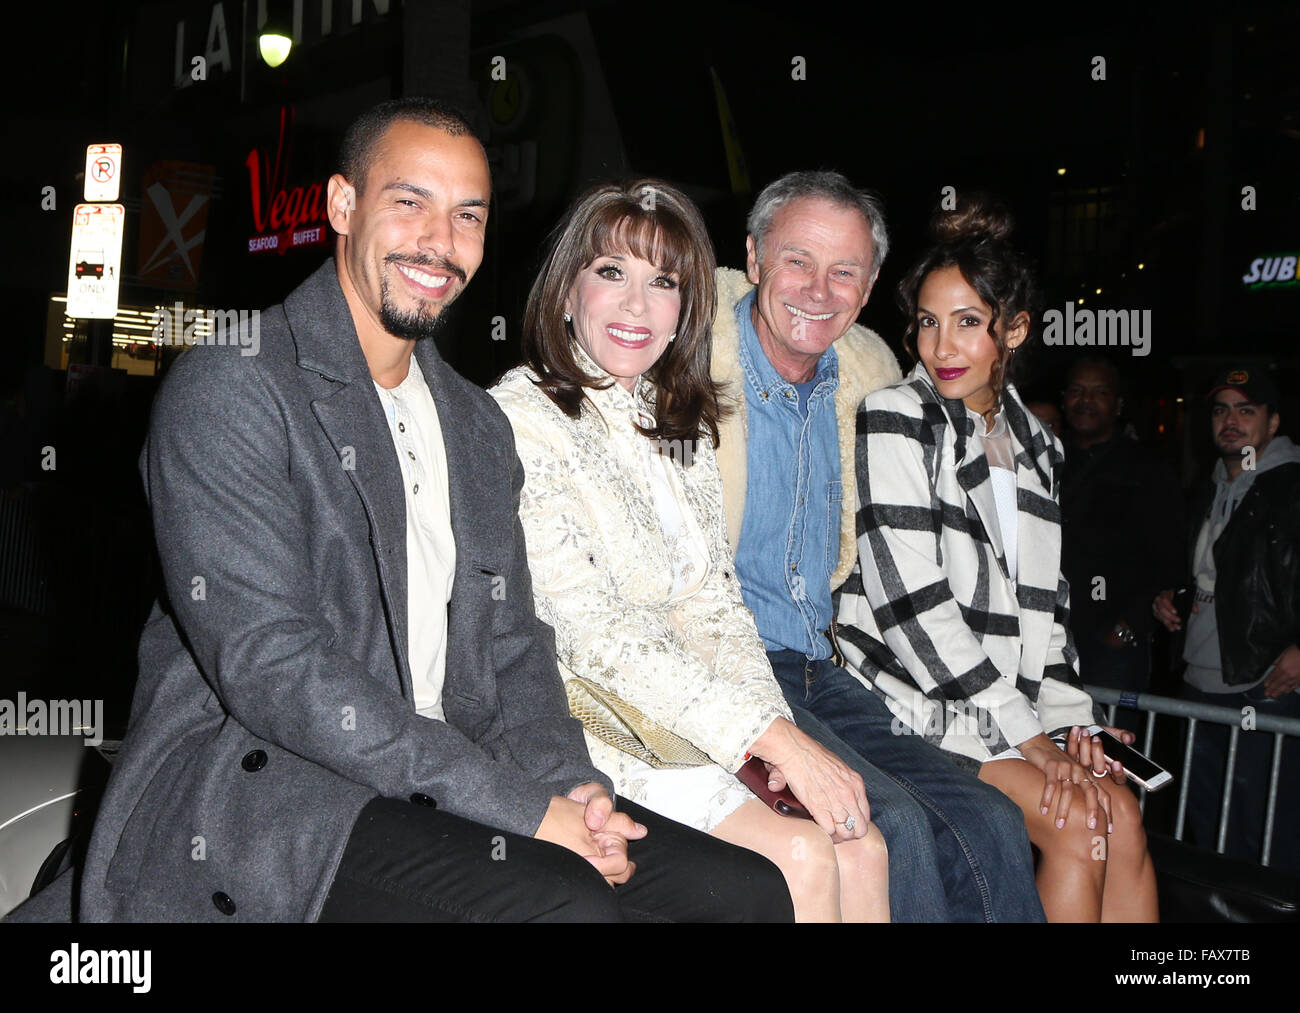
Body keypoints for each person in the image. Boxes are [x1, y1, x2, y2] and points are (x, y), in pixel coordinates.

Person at [76, 99, 795, 923]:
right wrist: (523, 809)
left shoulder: (474, 422)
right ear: (343, 206)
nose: (439, 242)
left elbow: (517, 644)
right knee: (564, 904)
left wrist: (574, 788)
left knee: (743, 888)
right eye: (409, 202)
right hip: (278, 789)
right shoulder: (237, 384)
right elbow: (272, 667)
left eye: (468, 216)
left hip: (452, 777)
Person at [490, 179, 888, 921]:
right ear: (567, 288)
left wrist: (780, 744)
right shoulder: (520, 415)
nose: (637, 306)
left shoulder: (678, 419)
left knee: (860, 841)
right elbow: (591, 634)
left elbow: (718, 605)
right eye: (611, 272)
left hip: (704, 719)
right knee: (803, 852)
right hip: (597, 729)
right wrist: (765, 737)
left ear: (687, 305)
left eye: (663, 281)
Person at [710, 170, 1045, 922]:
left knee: (991, 820)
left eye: (844, 272)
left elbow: (954, 536)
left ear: (866, 292)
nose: (819, 289)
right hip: (727, 666)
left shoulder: (873, 382)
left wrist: (1043, 713)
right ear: (755, 259)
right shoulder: (684, 357)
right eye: (797, 260)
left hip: (823, 668)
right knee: (892, 826)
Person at [835, 196, 1158, 922]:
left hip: (1005, 710)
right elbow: (911, 603)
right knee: (1079, 826)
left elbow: (1048, 613)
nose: (940, 345)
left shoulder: (1039, 445)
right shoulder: (897, 416)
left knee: (1122, 814)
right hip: (914, 698)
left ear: (1014, 329)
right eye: (926, 320)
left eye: (967, 322)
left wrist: (1080, 729)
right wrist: (1033, 738)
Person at [1153, 366, 1300, 873]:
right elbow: (1220, 575)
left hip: (1264, 683)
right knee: (1209, 822)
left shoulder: (1291, 485)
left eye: (1246, 409)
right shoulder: (1211, 485)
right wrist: (1170, 597)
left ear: (1273, 422)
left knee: (1265, 828)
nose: (1230, 421)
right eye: (1221, 410)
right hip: (1200, 678)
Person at [1060, 355, 1184, 708]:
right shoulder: (1045, 459)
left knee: (1111, 754)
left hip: (1110, 646)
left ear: (1118, 404)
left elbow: (1170, 557)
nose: (1086, 400)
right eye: (1077, 391)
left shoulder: (1148, 469)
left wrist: (1128, 626)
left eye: (1099, 392)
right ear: (1064, 397)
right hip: (1046, 637)